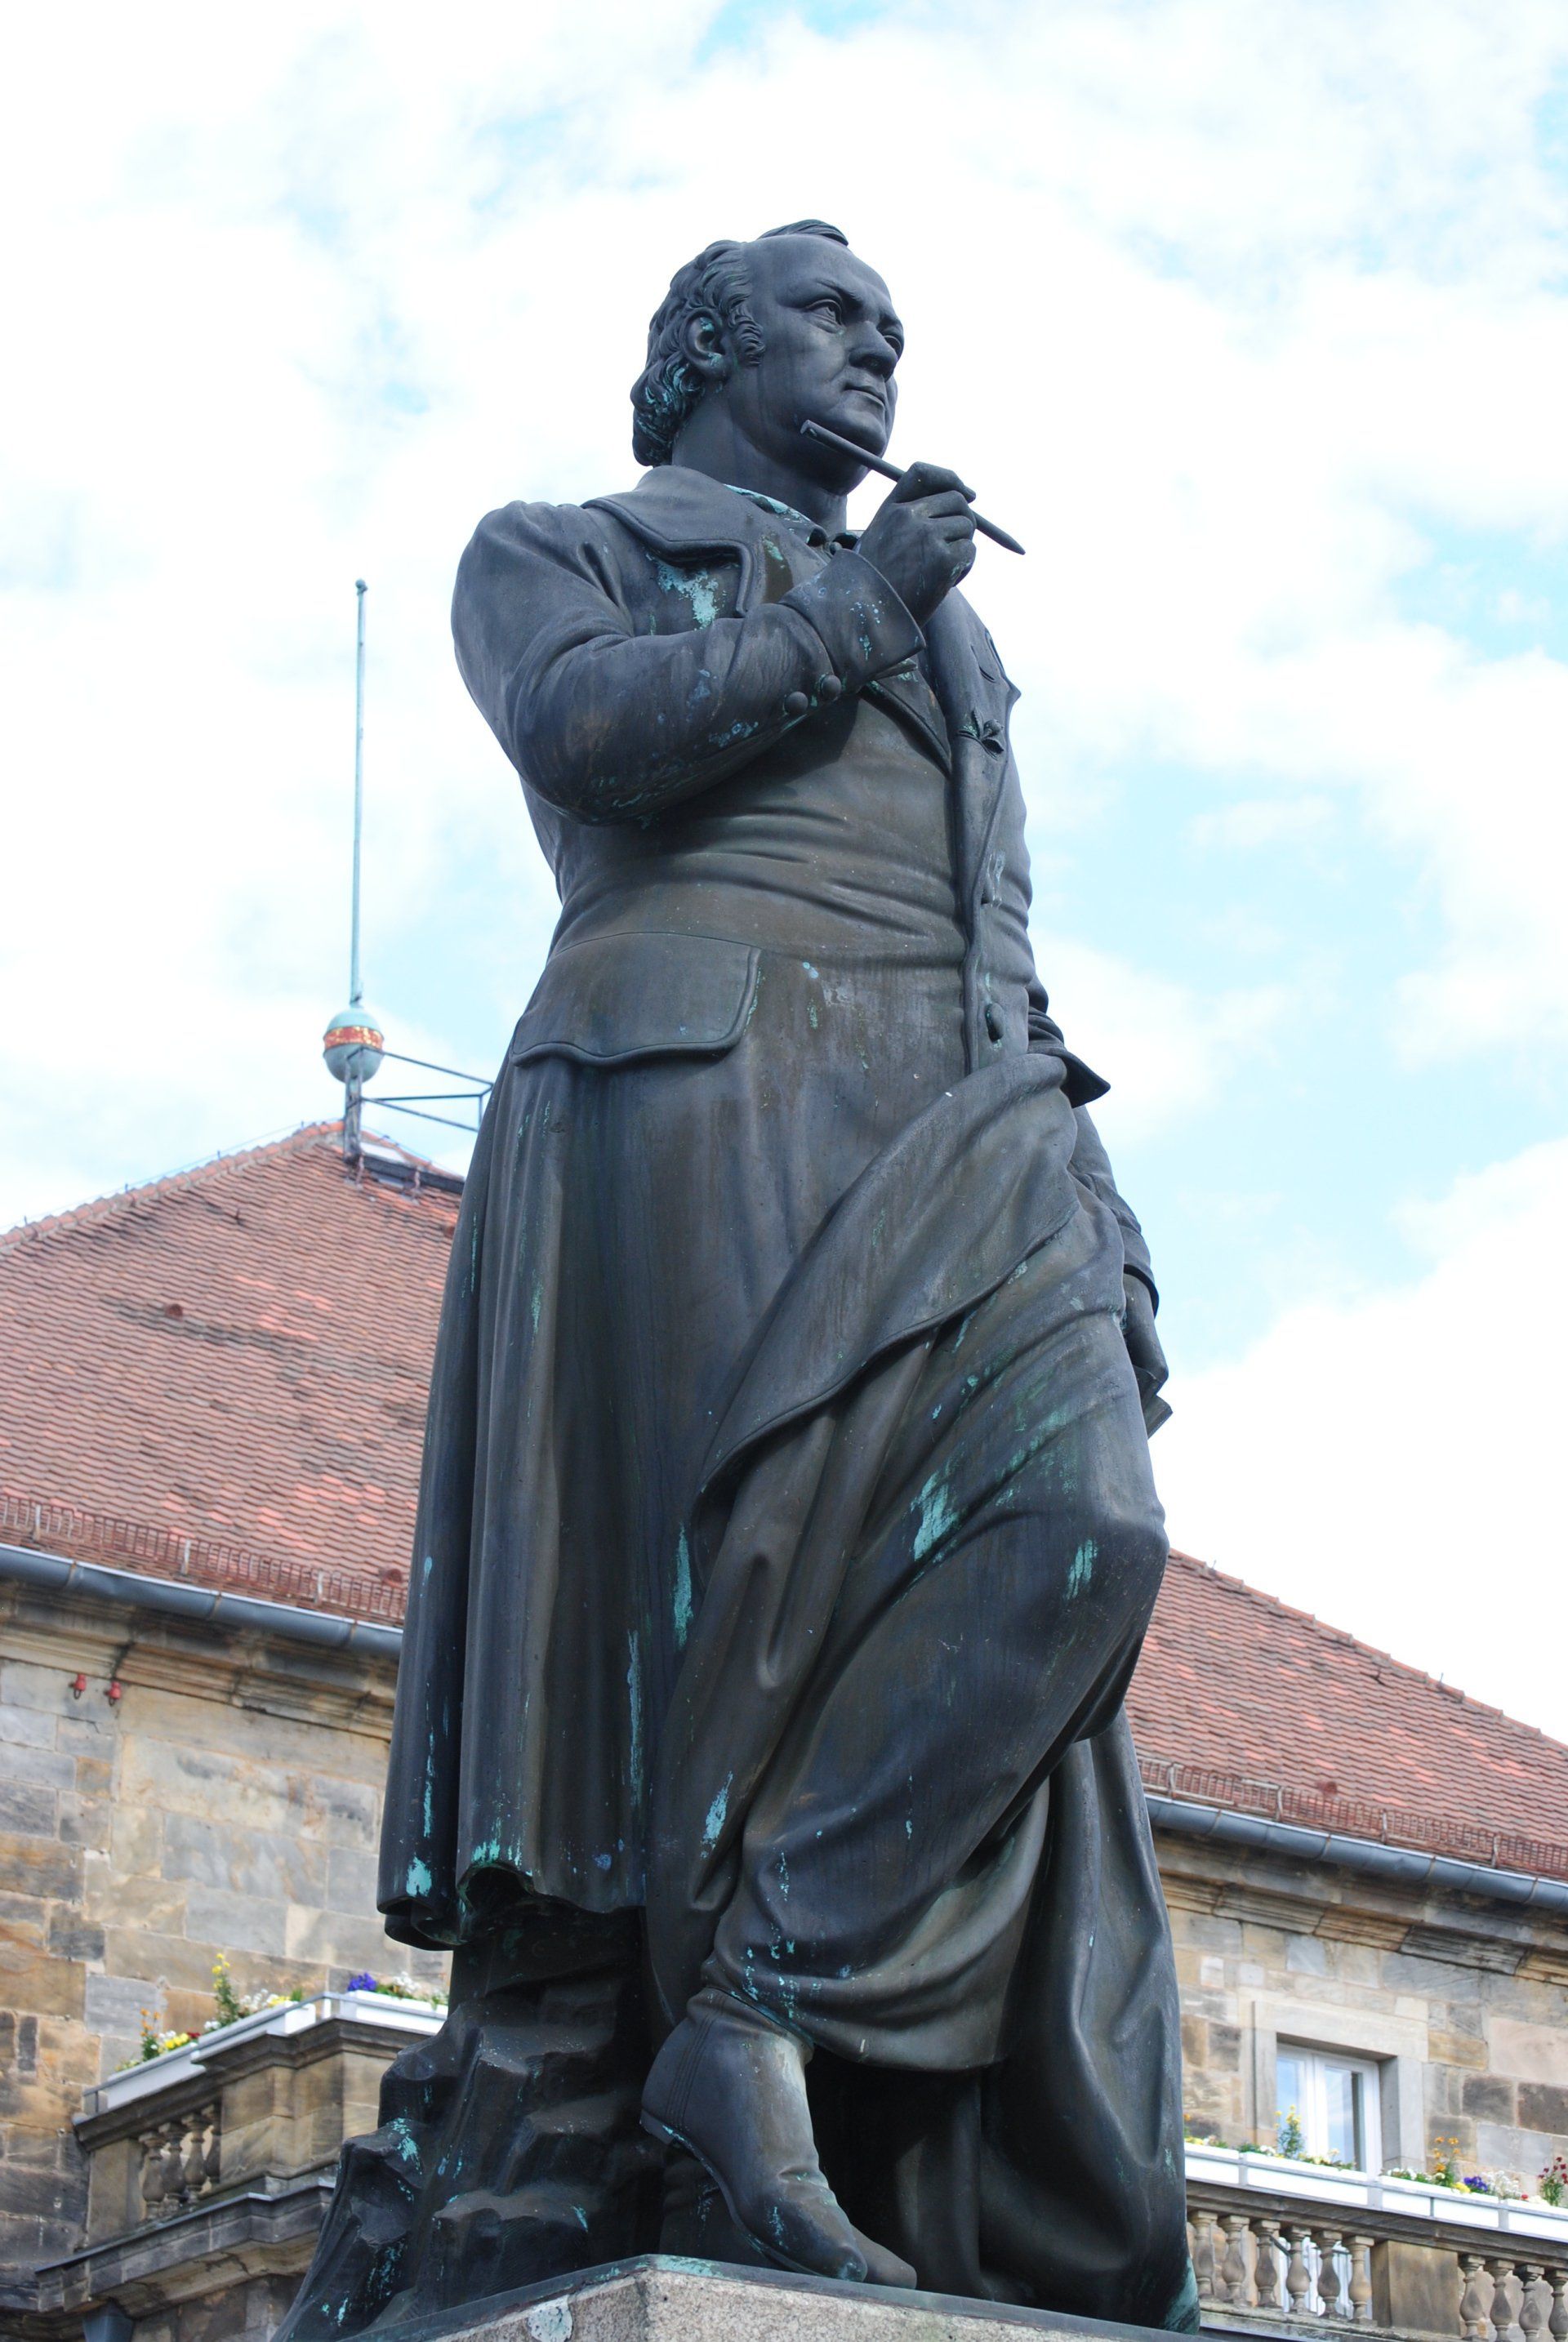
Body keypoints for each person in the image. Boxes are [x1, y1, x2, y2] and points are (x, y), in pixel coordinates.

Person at [279, 220, 1196, 2339]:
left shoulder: (965, 658)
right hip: (689, 1109)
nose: (877, 353)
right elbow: (595, 738)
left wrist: (1091, 1186)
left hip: (952, 1126)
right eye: (831, 316)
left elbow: (1003, 936)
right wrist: (874, 600)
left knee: (1077, 1527)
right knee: (708, 1632)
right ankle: (702, 2061)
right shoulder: (558, 545)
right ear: (706, 345)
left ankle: (768, 1989)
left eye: (898, 330)